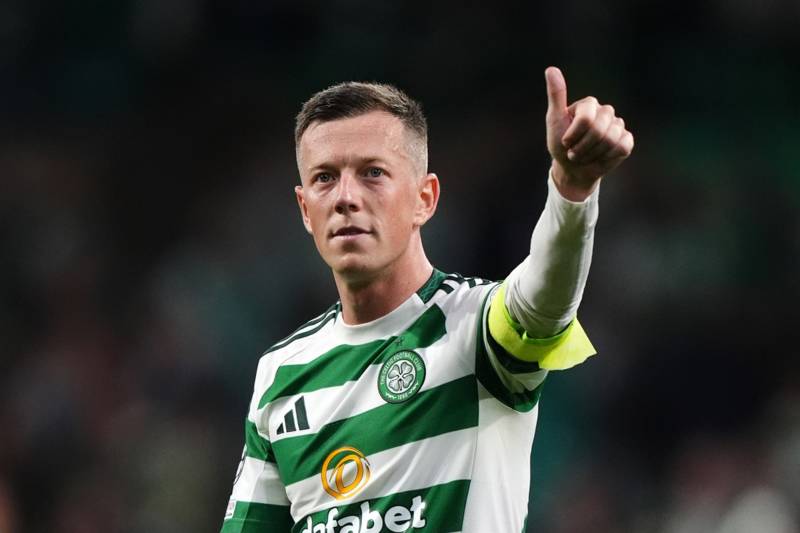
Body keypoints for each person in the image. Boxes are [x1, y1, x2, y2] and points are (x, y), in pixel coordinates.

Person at [220, 66, 634, 533]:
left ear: (425, 198)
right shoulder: (281, 372)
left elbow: (543, 302)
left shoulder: (473, 326)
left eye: (373, 173)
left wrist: (572, 189)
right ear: (305, 210)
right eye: (325, 178)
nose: (346, 197)